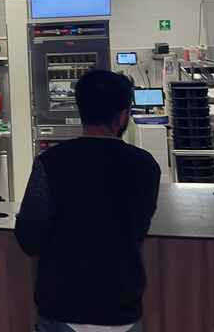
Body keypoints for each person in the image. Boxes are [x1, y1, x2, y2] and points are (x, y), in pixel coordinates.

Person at [15, 70, 160, 332]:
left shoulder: (50, 163)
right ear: (123, 115)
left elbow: (29, 238)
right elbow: (138, 230)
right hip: (122, 307)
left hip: (61, 306)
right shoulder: (145, 166)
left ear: (81, 109)